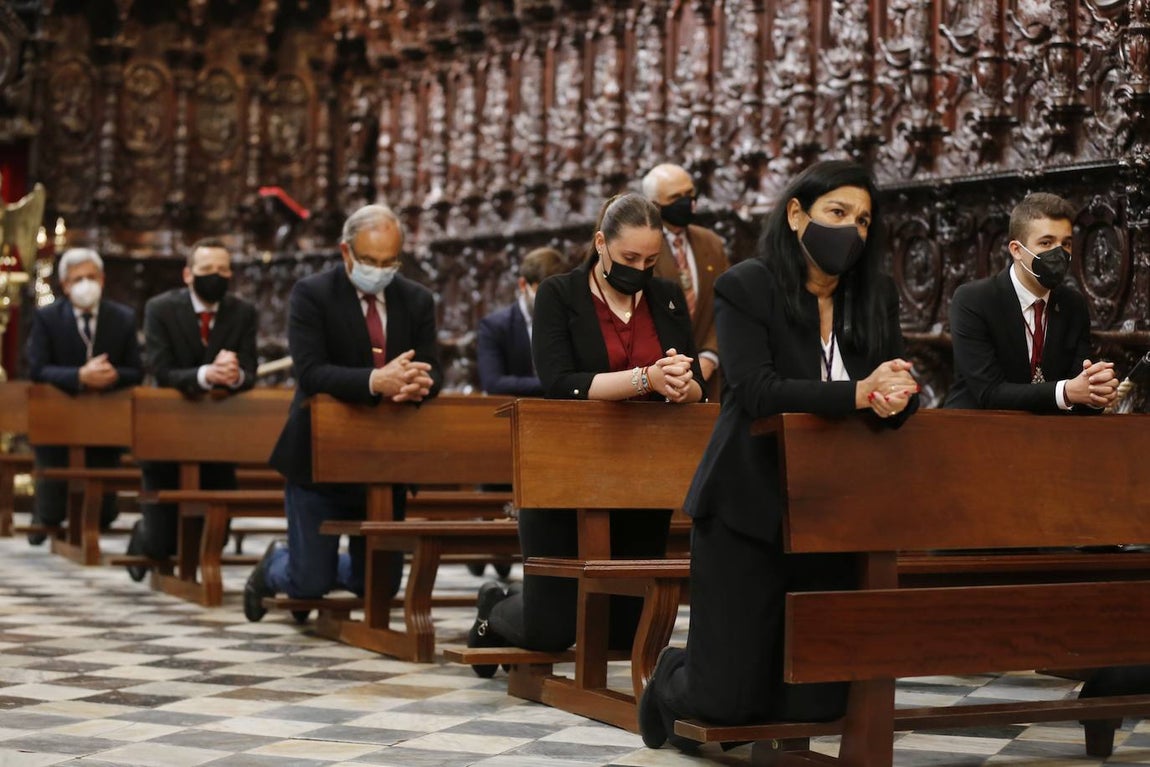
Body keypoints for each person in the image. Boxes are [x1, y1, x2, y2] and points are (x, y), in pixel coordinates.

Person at [637, 160, 920, 751]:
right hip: (746, 504)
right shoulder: (747, 285)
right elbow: (755, 389)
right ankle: (671, 677)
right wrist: (859, 393)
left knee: (815, 700)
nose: (852, 231)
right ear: (797, 215)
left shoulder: (875, 296)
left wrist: (898, 394)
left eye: (863, 221)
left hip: (830, 513)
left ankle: (732, 678)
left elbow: (889, 382)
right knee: (728, 707)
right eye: (837, 213)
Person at [466, 193, 704, 677]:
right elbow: (558, 382)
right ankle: (496, 609)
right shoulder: (559, 293)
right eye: (629, 259)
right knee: (549, 630)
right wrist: (645, 379)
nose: (640, 269)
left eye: (651, 260)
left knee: (624, 630)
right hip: (563, 465)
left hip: (640, 471)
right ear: (600, 243)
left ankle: (518, 607)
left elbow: (696, 377)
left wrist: (683, 384)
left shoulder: (667, 295)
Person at [244, 204, 442, 622]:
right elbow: (310, 371)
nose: (380, 271)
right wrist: (376, 382)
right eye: (370, 261)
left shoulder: (416, 299)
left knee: (378, 585)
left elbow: (432, 366)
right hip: (319, 453)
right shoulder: (312, 293)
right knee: (309, 585)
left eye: (391, 262)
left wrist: (422, 383)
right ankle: (276, 567)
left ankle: (312, 564)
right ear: (346, 253)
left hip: (386, 458)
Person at [125, 238, 259, 580]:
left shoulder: (242, 312)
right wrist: (205, 375)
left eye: (223, 270)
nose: (216, 276)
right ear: (188, 274)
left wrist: (234, 374)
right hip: (168, 432)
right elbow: (160, 368)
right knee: (162, 539)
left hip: (217, 436)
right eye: (207, 270)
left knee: (216, 533)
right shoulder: (161, 309)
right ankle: (143, 536)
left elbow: (251, 371)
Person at [944, 192, 1118, 411]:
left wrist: (1096, 392)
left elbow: (1079, 389)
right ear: (1016, 250)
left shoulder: (1073, 304)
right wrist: (1066, 391)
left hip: (1045, 435)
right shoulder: (973, 300)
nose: (1059, 253)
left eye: (1066, 244)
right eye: (1046, 243)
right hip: (975, 431)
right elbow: (988, 392)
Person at [24, 248, 143, 544]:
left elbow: (136, 371)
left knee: (104, 510)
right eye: (78, 278)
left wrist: (112, 375)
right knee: (52, 505)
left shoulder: (122, 317)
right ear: (65, 285)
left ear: (102, 280)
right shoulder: (47, 318)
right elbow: (37, 369)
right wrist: (79, 376)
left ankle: (92, 523)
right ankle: (45, 516)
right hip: (58, 421)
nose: (86, 283)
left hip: (105, 423)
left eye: (92, 277)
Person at [642, 163, 728, 400]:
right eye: (676, 197)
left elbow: (726, 304)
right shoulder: (644, 247)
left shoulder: (710, 242)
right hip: (661, 376)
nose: (687, 201)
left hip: (710, 379)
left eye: (689, 194)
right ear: (655, 205)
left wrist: (710, 356)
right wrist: (675, 368)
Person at [476, 247, 565, 396]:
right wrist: (555, 384)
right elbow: (493, 382)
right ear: (523, 285)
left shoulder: (569, 319)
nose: (551, 301)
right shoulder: (494, 326)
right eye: (543, 293)